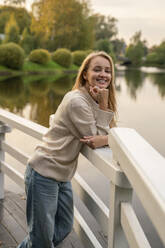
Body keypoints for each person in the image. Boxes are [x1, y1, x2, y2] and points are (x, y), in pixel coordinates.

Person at [17, 51, 117, 248]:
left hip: (62, 176)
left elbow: (100, 136)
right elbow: (93, 139)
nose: (103, 74)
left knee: (62, 228)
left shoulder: (91, 99)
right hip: (43, 173)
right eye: (97, 69)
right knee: (41, 239)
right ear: (85, 74)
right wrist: (104, 107)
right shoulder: (77, 101)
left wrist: (105, 134)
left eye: (108, 70)